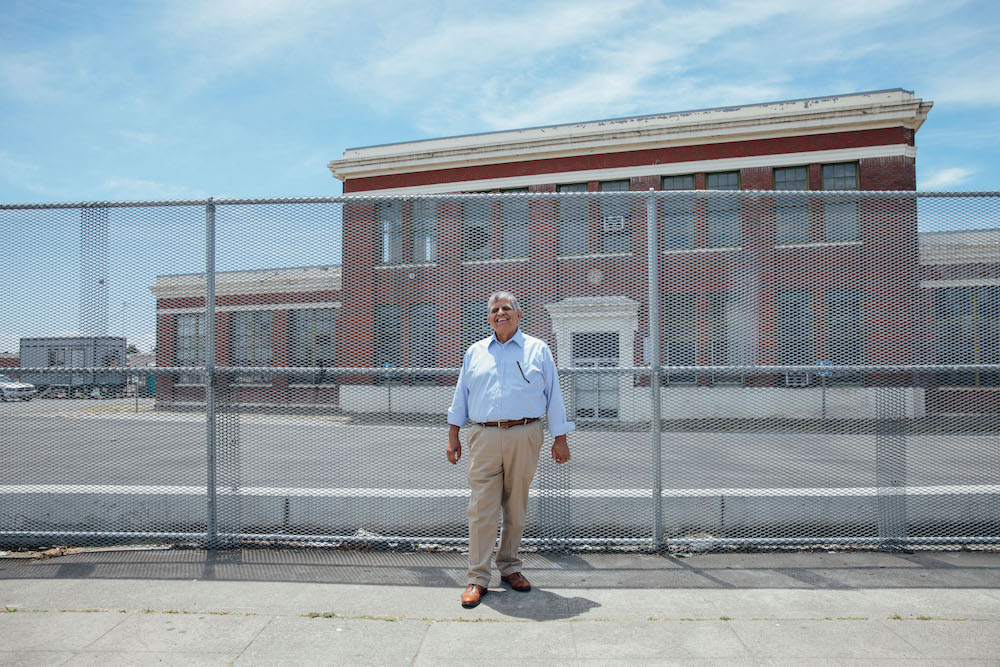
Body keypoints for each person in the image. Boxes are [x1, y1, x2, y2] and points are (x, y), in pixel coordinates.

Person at [446, 291, 573, 608]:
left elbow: (553, 395)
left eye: (506, 308)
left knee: (516, 507)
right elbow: (461, 395)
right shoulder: (475, 352)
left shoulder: (538, 349)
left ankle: (510, 567)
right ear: (488, 317)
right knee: (481, 508)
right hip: (484, 436)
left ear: (518, 314)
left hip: (525, 434)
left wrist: (560, 438)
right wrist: (453, 435)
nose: (500, 313)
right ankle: (477, 578)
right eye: (494, 309)